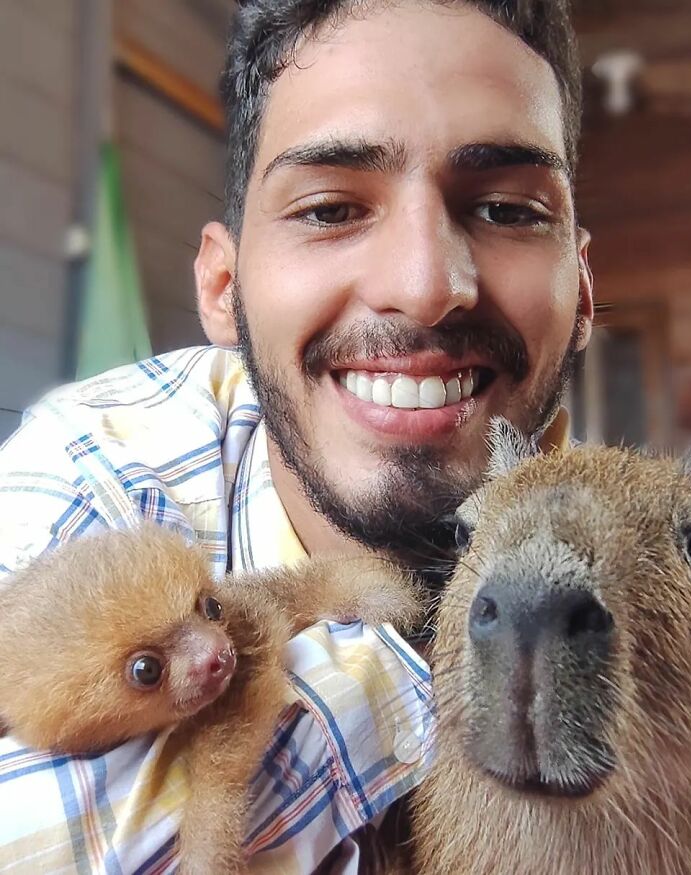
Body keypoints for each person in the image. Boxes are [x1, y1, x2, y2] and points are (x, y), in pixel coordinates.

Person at [0, 0, 593, 871]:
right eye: (328, 209)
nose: (426, 284)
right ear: (221, 284)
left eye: (506, 209)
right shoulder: (94, 466)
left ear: (581, 287)